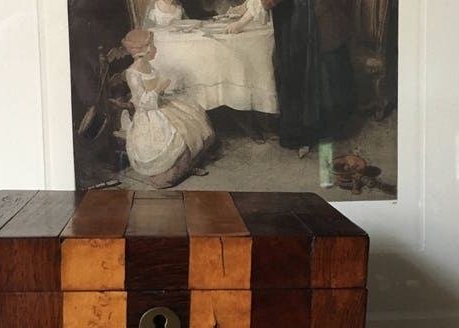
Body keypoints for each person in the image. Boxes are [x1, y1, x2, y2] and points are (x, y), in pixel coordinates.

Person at [228, 0, 357, 156]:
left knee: (305, 76)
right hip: (304, 16)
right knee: (306, 77)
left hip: (308, 21)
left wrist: (241, 23)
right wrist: (248, 6)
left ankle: (309, 135)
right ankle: (314, 132)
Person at [119, 29, 215, 188]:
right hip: (149, 114)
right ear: (144, 50)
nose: (155, 49)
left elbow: (154, 89)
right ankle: (174, 173)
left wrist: (161, 90)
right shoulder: (132, 73)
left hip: (160, 104)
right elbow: (143, 103)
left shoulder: (148, 65)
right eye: (152, 46)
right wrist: (158, 89)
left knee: (194, 119)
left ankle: (187, 166)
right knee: (177, 133)